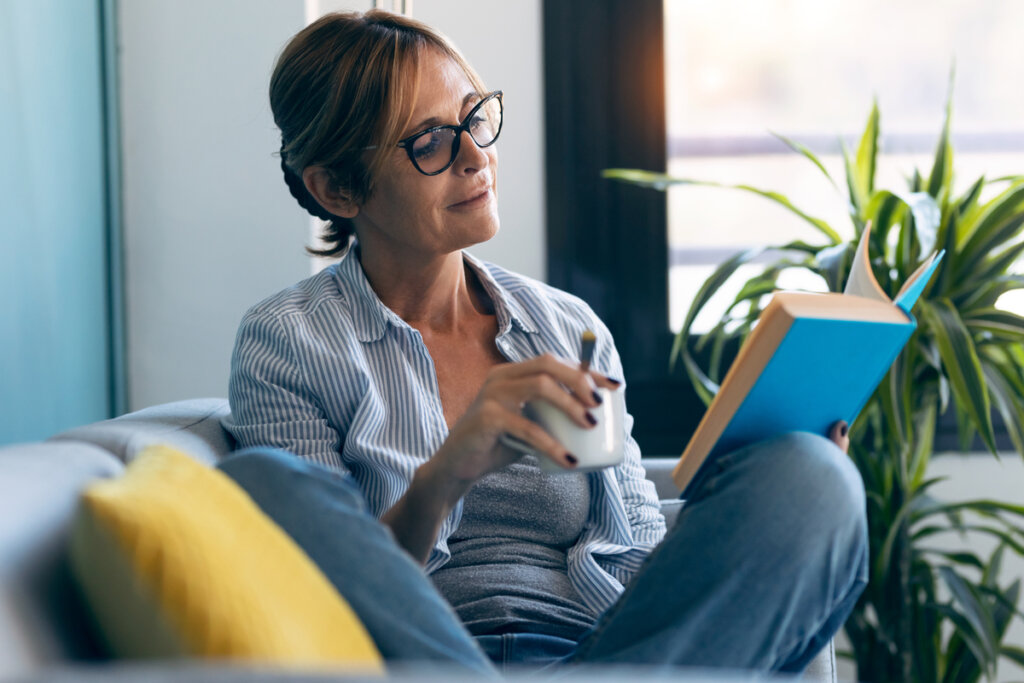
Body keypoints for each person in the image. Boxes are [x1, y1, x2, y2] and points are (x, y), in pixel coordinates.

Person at [221, 9, 868, 676]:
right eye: (430, 143)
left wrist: (752, 504)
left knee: (814, 474)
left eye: (475, 118)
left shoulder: (565, 324)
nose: (477, 156)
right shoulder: (287, 342)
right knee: (264, 480)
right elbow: (317, 597)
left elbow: (638, 547)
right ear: (337, 187)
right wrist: (445, 476)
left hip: (604, 653)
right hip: (437, 661)